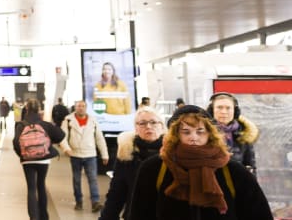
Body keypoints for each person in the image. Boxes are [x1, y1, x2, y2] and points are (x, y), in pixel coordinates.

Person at [129, 105, 272, 219]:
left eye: (200, 131)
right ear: (175, 135)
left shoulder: (233, 170)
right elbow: (139, 214)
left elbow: (258, 214)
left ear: (210, 134)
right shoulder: (154, 168)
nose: (193, 137)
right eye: (186, 132)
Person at [98, 107, 164, 220]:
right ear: (136, 128)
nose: (148, 126)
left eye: (153, 122)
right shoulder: (127, 154)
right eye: (142, 123)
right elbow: (116, 194)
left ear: (162, 126)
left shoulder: (173, 154)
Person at [12, 99, 66, 220]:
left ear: (26, 109)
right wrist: (48, 142)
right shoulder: (44, 124)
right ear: (39, 109)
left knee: (31, 188)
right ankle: (44, 216)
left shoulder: (21, 125)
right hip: (43, 159)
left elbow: (15, 142)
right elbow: (61, 135)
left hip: (27, 160)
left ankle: (34, 217)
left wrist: (23, 155)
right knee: (41, 185)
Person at [61, 100, 109, 212]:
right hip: (75, 154)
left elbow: (99, 138)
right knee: (77, 179)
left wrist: (104, 154)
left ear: (86, 107)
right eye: (78, 106)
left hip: (90, 154)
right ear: (75, 107)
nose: (81, 108)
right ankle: (78, 201)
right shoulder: (68, 120)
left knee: (93, 179)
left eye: (83, 106)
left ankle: (95, 202)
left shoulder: (93, 120)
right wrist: (66, 149)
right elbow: (63, 137)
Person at [207, 92, 258, 174]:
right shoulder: (204, 133)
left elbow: (250, 166)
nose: (223, 112)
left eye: (228, 108)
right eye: (219, 107)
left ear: (235, 111)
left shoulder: (244, 134)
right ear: (212, 110)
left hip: (237, 184)